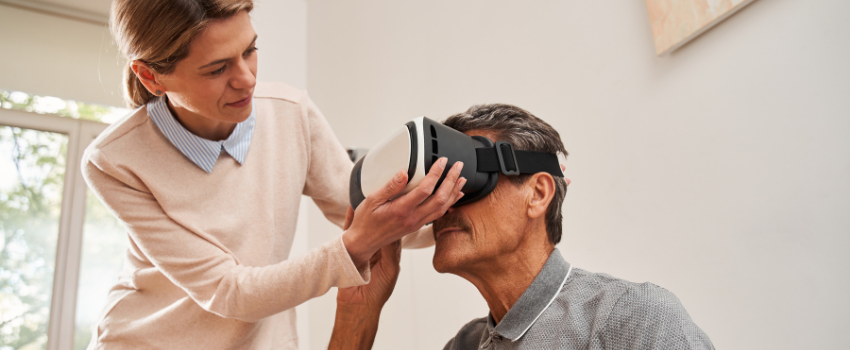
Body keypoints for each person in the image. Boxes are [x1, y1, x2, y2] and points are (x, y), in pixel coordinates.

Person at [81, 0, 459, 348]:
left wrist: (451, 210)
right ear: (151, 77)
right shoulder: (113, 161)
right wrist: (354, 246)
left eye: (250, 50)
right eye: (217, 68)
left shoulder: (291, 113)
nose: (246, 79)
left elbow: (364, 211)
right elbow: (227, 290)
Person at [329, 104, 715, 350]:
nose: (442, 205)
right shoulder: (464, 345)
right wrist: (357, 311)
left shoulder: (628, 318)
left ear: (538, 193)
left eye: (465, 178)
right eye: (436, 187)